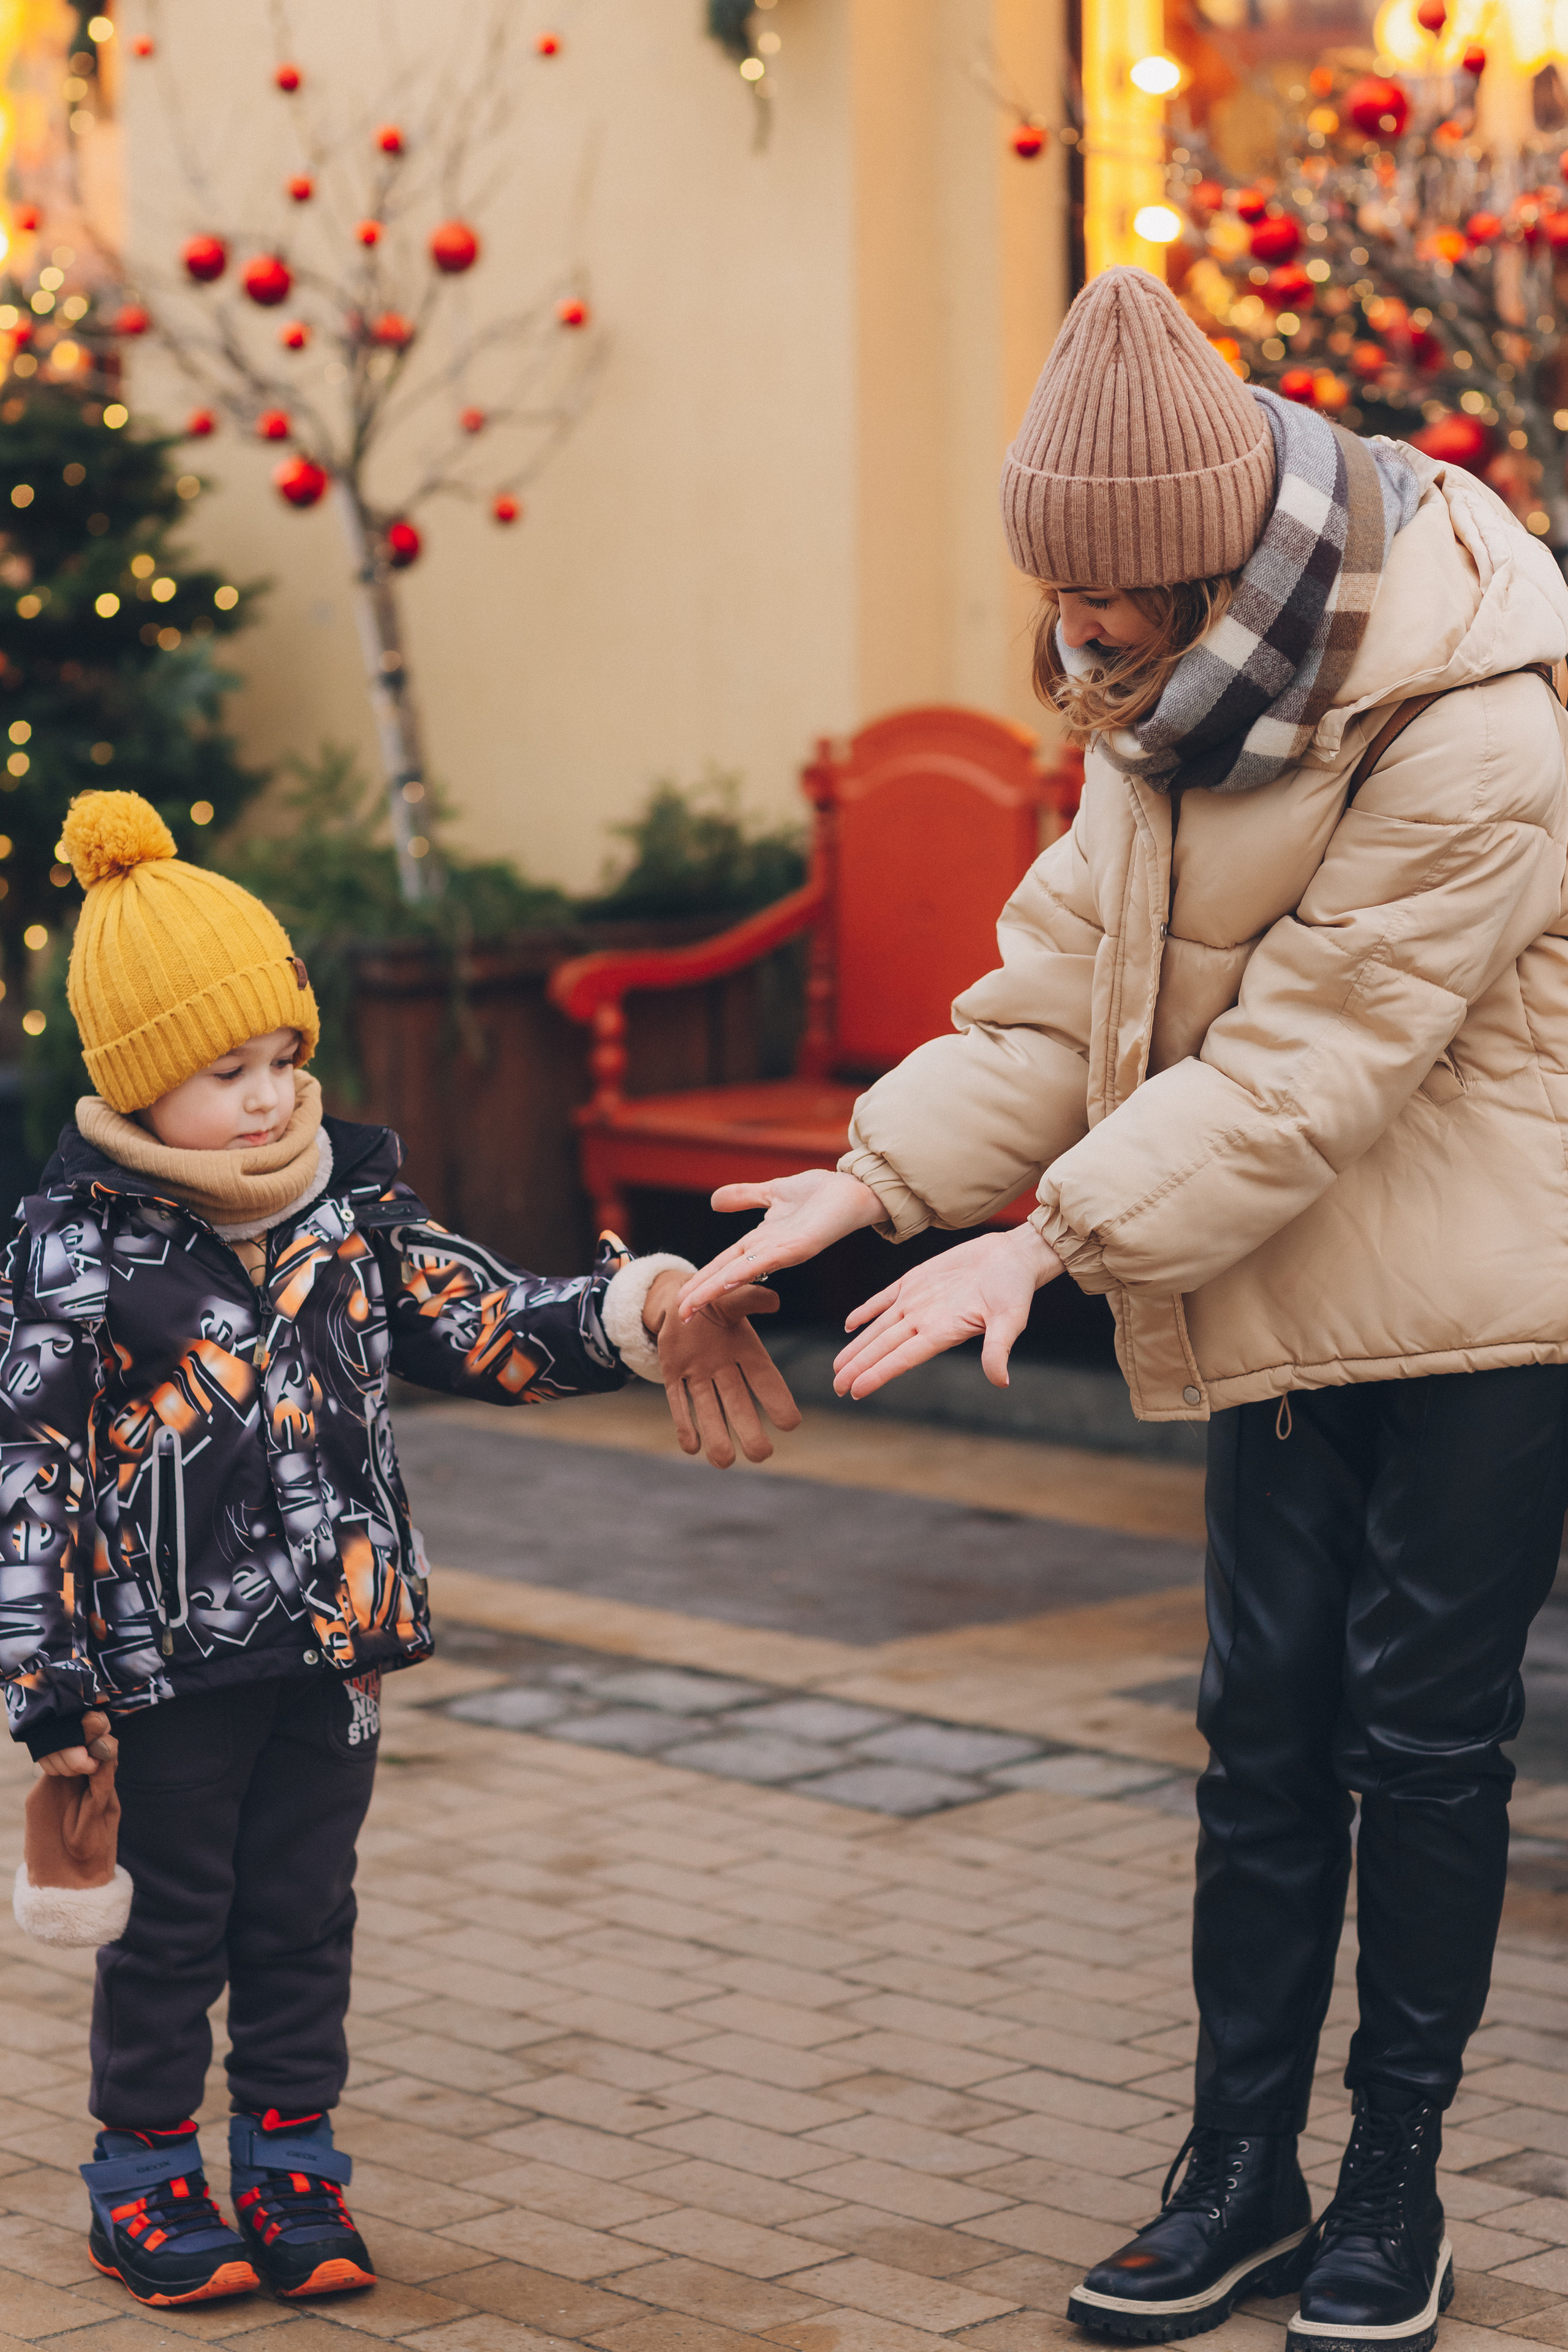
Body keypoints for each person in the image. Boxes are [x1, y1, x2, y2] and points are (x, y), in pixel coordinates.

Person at [677, 267, 1568, 2352]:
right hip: (1261, 1259)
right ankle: (1236, 2175)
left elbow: (1314, 1060)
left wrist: (1046, 1241)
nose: (1070, 636)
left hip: (1473, 1311)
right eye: (1054, 595)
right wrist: (874, 1178)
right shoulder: (1167, 698)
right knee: (1258, 1739)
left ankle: (1395, 2194)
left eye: (1106, 601)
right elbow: (1062, 990)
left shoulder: (1478, 713)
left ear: (1219, 556)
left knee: (1423, 1752)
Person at [1, 790, 797, 2311]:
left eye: (282, 1057)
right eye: (222, 1070)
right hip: (161, 1661)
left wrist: (638, 1311)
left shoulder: (348, 1203)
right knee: (175, 1922)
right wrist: (46, 1674)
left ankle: (296, 2164)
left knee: (302, 1908)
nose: (263, 1096)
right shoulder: (74, 1243)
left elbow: (486, 1318)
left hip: (336, 1639)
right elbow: (25, 1465)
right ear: (137, 1080)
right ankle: (145, 2174)